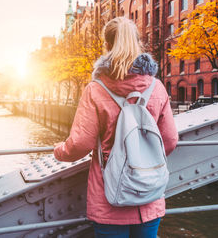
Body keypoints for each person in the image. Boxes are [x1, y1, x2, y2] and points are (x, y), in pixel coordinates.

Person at [54, 17, 178, 238]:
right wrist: (141, 160)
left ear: (107, 46)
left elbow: (81, 143)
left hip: (110, 196)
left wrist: (59, 151)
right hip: (148, 193)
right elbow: (169, 141)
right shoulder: (156, 87)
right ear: (138, 43)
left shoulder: (96, 89)